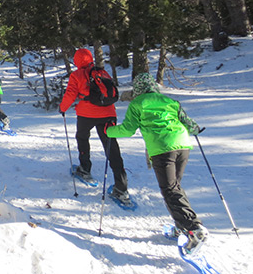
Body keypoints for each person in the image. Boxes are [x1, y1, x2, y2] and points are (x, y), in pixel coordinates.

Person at [105, 72, 208, 251]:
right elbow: (188, 122)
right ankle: (181, 226)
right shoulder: (169, 101)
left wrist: (109, 131)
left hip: (162, 149)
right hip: (183, 145)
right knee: (175, 187)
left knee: (170, 189)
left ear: (137, 89)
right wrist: (196, 129)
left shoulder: (138, 103)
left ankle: (193, 229)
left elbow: (128, 130)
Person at [59, 48, 130, 205]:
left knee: (82, 137)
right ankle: (121, 187)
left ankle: (85, 168)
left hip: (87, 114)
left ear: (77, 61)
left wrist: (62, 108)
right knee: (111, 146)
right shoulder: (102, 72)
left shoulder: (76, 75)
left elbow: (70, 94)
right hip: (109, 113)